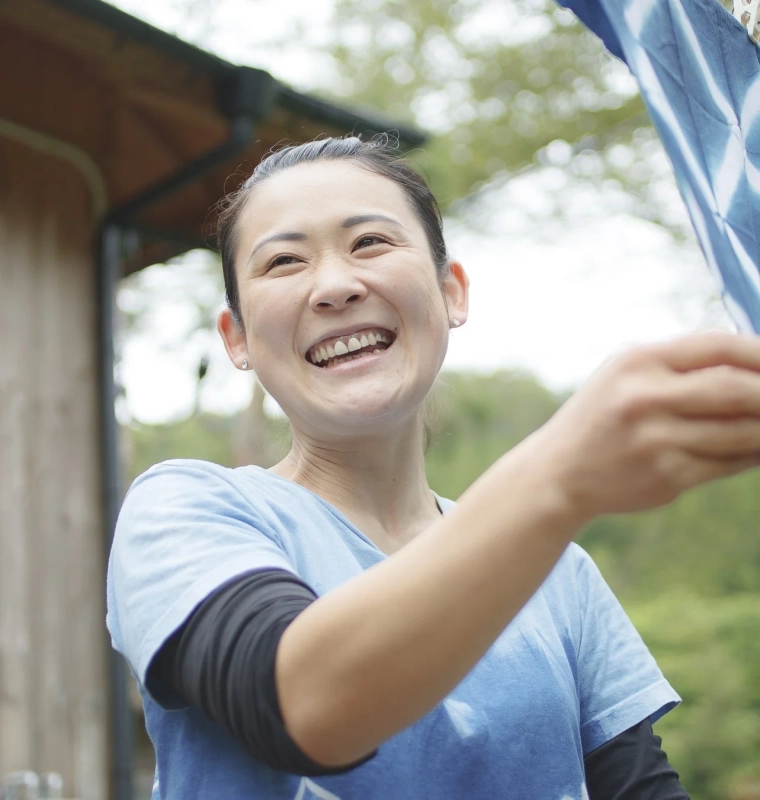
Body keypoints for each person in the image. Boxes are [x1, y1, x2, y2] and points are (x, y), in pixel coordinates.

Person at [106, 135, 760, 800]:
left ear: (452, 291)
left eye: (370, 243)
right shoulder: (182, 510)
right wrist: (558, 476)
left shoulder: (558, 571)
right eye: (283, 261)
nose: (335, 286)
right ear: (236, 338)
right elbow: (297, 707)